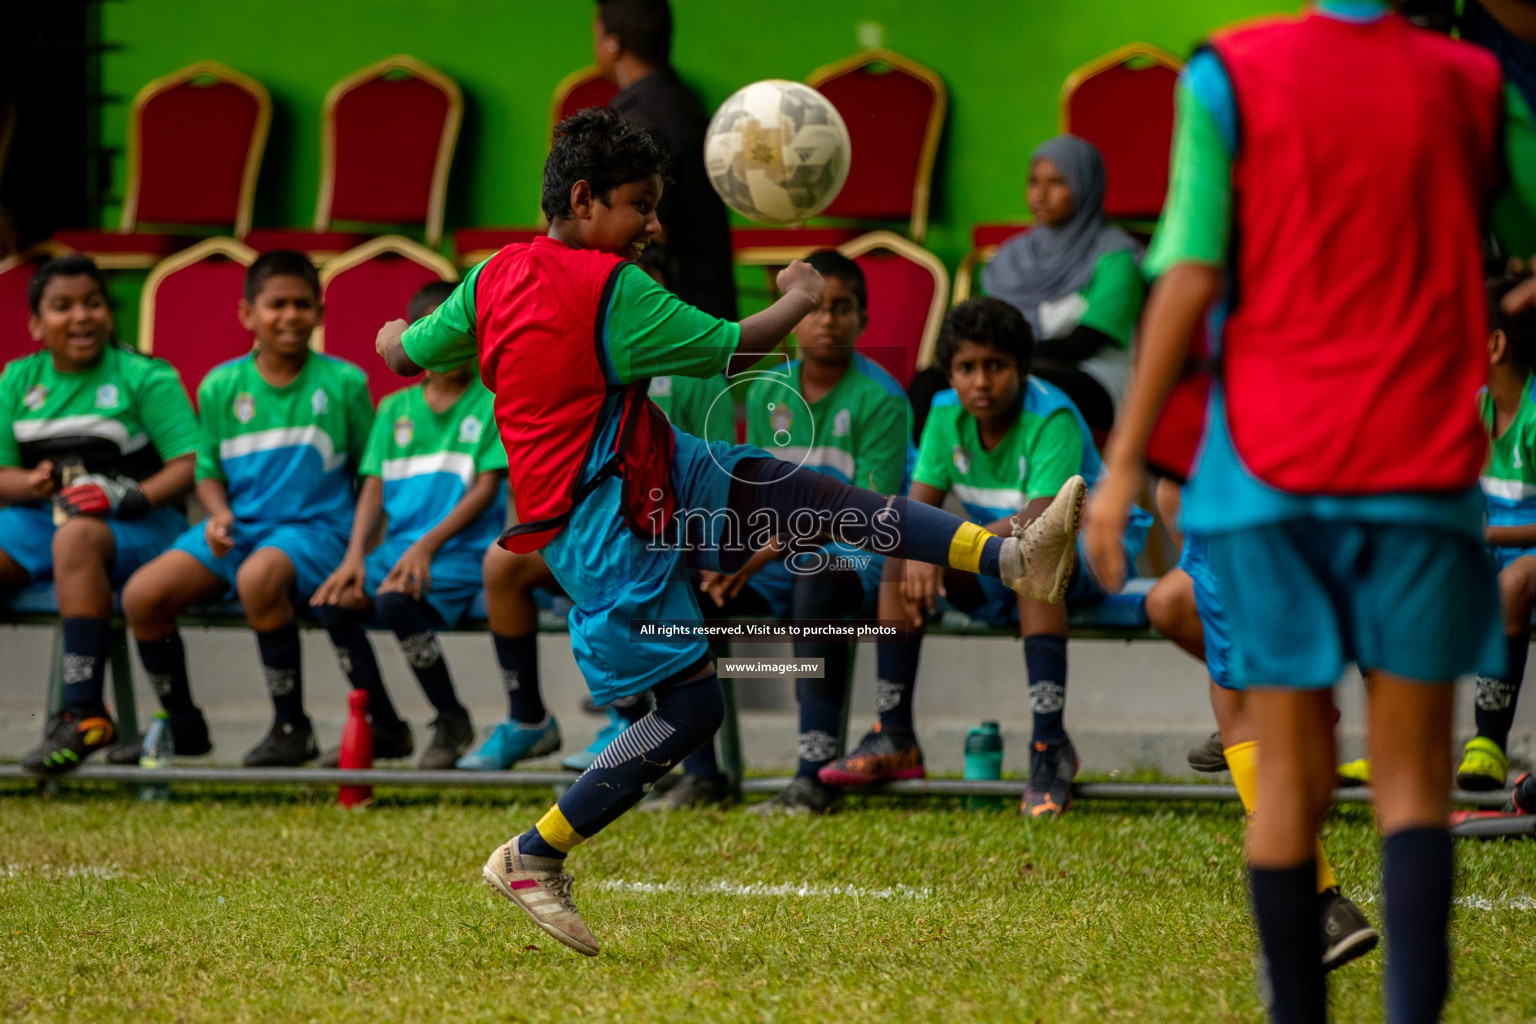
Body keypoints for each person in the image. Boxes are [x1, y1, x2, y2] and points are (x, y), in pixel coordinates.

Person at [373, 108, 1085, 957]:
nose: (653, 225)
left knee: (808, 494)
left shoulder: (491, 276)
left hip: (647, 463)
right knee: (692, 709)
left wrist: (391, 335)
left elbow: (405, 354)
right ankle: (535, 854)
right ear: (586, 199)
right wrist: (800, 293)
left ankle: (1008, 553)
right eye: (640, 205)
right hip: (607, 518)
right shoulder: (614, 289)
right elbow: (739, 348)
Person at [1086, 3, 1532, 1020]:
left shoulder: (1227, 75)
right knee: (1415, 783)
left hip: (1266, 478)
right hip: (1417, 473)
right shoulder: (1470, 85)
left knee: (1287, 780)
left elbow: (1187, 274)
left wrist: (1122, 465)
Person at [830, 297, 1149, 819]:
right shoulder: (943, 413)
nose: (980, 382)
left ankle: (1050, 748)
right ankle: (895, 735)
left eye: (995, 367)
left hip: (1091, 556)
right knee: (897, 558)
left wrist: (942, 543)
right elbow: (918, 509)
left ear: (1021, 370)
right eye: (966, 368)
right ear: (949, 374)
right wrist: (922, 545)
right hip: (997, 554)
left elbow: (1044, 521)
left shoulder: (1053, 415)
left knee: (1032, 558)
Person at [649, 248, 912, 814]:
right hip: (774, 552)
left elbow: (867, 515)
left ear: (863, 322)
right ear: (794, 317)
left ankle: (812, 774)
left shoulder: (884, 398)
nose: (827, 320)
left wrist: (760, 551)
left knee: (818, 577)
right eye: (818, 308)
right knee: (691, 584)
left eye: (843, 310)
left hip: (857, 557)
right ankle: (702, 775)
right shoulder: (769, 389)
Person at [457, 243, 735, 774]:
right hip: (585, 536)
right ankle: (527, 720)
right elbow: (527, 469)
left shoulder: (699, 374)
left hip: (664, 540)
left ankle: (643, 729)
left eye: (644, 296)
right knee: (503, 563)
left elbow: (717, 479)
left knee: (637, 578)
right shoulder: (562, 362)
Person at [115, 250, 374, 767]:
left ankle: (289, 726)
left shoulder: (345, 383)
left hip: (316, 532)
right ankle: (183, 726)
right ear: (247, 314)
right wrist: (216, 514)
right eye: (276, 304)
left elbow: (373, 473)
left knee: (259, 577)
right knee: (142, 596)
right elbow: (207, 470)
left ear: (320, 313)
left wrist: (360, 552)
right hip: (239, 530)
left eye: (303, 305)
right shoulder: (220, 385)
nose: (290, 316)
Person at [1144, 521, 1379, 972]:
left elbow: (1174, 471)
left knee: (1234, 703)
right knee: (1411, 788)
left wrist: (1120, 481)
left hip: (1250, 505)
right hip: (1375, 509)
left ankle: (1323, 907)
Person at [11, 255, 199, 772]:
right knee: (61, 536)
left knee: (76, 539)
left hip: (141, 526)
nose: (81, 317)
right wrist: (32, 482)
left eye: (92, 304)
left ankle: (85, 714)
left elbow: (190, 463)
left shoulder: (146, 375)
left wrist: (127, 496)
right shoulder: (17, 381)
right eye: (62, 307)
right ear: (35, 323)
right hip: (37, 521)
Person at [307, 281, 506, 769]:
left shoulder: (492, 401)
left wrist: (426, 547)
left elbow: (484, 489)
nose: (448, 347)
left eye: (460, 334)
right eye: (435, 335)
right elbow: (372, 488)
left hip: (460, 553)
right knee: (332, 603)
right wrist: (354, 558)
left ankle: (451, 719)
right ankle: (386, 727)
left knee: (397, 600)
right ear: (416, 339)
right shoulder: (394, 408)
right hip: (396, 550)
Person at [977, 135, 1145, 433]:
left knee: (1011, 384)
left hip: (1096, 377)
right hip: (1016, 367)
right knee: (935, 380)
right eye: (1033, 182)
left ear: (1085, 187)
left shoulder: (1117, 258)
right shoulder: (1011, 256)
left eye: (1056, 183)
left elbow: (1082, 344)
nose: (1040, 195)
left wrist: (998, 360)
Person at [594, 0, 737, 320]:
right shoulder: (689, 104)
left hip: (673, 326)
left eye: (597, 33)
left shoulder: (638, 123)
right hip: (712, 311)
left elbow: (648, 236)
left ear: (612, 44)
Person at [1459, 276, 1536, 790]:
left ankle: (1488, 741)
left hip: (1523, 552)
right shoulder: (1474, 404)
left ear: (1495, 344)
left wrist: (1483, 537)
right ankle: (1392, 746)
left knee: (1514, 585)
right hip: (1487, 542)